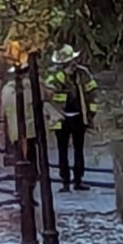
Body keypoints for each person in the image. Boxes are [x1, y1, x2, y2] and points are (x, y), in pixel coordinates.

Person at [45, 44, 99, 192]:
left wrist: (91, 113)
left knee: (78, 150)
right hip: (60, 118)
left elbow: (92, 92)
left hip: (78, 117)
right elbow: (49, 93)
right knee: (62, 151)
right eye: (69, 62)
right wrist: (62, 75)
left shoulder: (83, 74)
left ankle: (78, 180)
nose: (73, 64)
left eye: (73, 61)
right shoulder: (55, 75)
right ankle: (65, 182)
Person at [1, 65, 38, 182]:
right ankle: (30, 182)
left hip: (15, 130)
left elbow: (3, 110)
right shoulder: (31, 87)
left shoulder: (6, 90)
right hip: (29, 130)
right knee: (30, 158)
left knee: (20, 157)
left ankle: (21, 184)